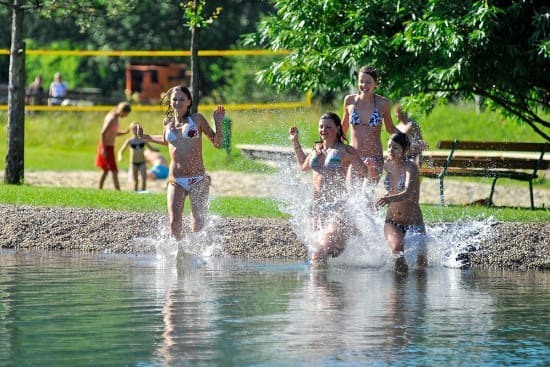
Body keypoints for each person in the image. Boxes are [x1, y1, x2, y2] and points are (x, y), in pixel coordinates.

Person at [137, 85, 225, 239]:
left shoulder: (197, 120)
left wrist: (218, 123)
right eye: (175, 99)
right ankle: (178, 256)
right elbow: (166, 140)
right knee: (173, 223)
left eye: (182, 99)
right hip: (176, 180)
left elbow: (217, 143)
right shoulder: (167, 122)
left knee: (198, 222)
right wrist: (145, 137)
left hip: (197, 179)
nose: (178, 102)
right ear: (170, 102)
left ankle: (198, 256)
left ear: (189, 102)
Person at [289, 112, 369, 263]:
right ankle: (320, 285)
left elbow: (364, 173)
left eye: (328, 127)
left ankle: (347, 234)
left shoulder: (347, 150)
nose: (323, 130)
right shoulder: (316, 149)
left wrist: (368, 167)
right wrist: (295, 142)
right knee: (316, 257)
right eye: (321, 126)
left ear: (338, 129)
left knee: (328, 246)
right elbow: (302, 166)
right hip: (317, 209)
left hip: (337, 207)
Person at [376, 132, 427, 272]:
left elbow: (408, 192)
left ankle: (417, 294)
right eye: (389, 147)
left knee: (422, 267)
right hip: (393, 221)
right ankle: (398, 293)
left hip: (414, 223)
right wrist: (368, 167)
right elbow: (369, 172)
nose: (391, 151)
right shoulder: (388, 166)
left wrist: (389, 198)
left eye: (395, 148)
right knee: (398, 253)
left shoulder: (411, 167)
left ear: (405, 151)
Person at [342, 65, 399, 187]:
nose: (364, 85)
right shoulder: (349, 101)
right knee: (352, 198)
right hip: (354, 158)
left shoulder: (383, 103)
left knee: (366, 196)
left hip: (374, 159)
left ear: (375, 84)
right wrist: (327, 147)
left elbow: (390, 128)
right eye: (361, 81)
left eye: (368, 82)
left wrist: (408, 139)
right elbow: (342, 130)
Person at [95, 102, 132, 190]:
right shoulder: (111, 118)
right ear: (122, 111)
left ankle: (99, 189)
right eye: (126, 114)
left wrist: (125, 132)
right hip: (106, 147)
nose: (126, 116)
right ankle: (118, 190)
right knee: (114, 170)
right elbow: (103, 132)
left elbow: (112, 133)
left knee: (105, 170)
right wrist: (103, 148)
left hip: (109, 146)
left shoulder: (115, 117)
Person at [117, 122, 157, 191]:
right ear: (130, 130)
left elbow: (151, 148)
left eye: (137, 128)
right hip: (133, 163)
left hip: (142, 162)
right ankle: (135, 193)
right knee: (135, 181)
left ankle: (143, 192)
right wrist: (120, 156)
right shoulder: (129, 141)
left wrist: (156, 150)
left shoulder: (143, 140)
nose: (135, 130)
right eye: (134, 129)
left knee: (144, 180)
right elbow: (121, 150)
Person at [394, 102, 428, 167]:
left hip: (413, 156)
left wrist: (419, 157)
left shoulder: (412, 124)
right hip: (401, 158)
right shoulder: (397, 127)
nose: (395, 115)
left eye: (397, 112)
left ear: (403, 112)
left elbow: (420, 141)